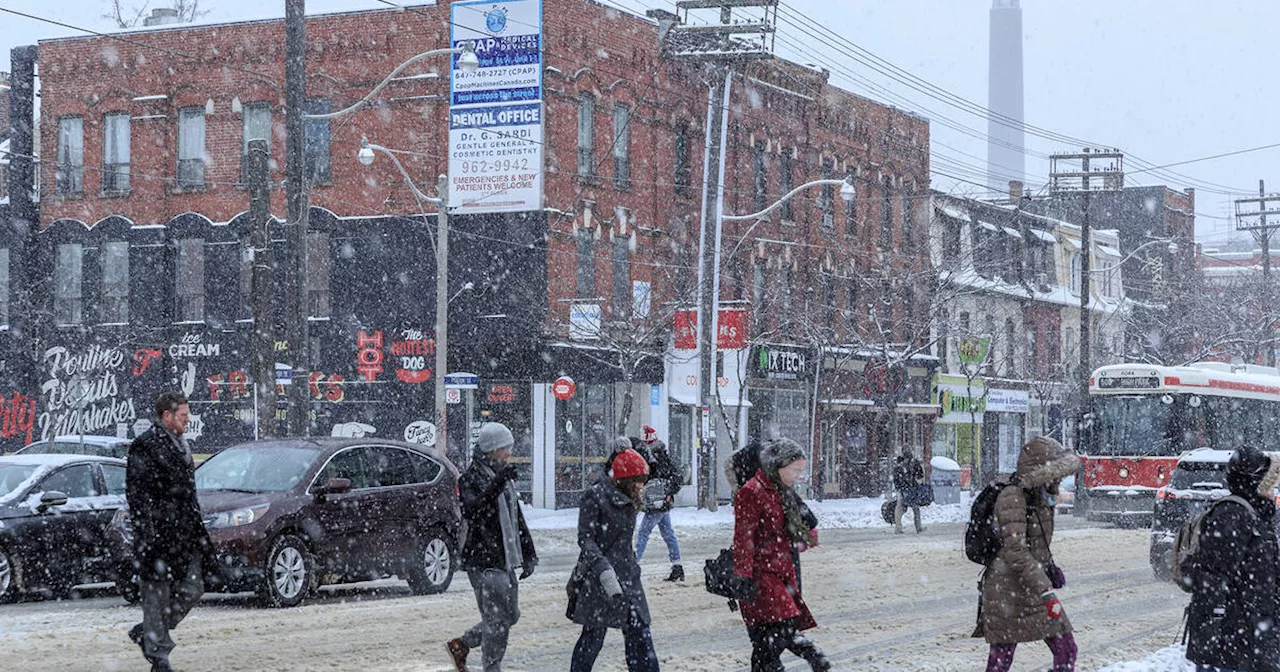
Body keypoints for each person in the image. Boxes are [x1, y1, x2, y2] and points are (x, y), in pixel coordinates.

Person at [974, 437, 1079, 672]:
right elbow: (1015, 550)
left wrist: (1049, 565)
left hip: (1030, 587)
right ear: (1041, 471)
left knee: (1067, 649)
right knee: (1001, 659)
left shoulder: (1039, 496)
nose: (1060, 479)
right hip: (1007, 589)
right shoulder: (1013, 496)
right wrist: (1045, 587)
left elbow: (1035, 542)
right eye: (1057, 473)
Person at [126, 392, 211, 672]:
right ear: (167, 416)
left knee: (193, 587)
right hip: (158, 535)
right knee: (156, 595)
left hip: (185, 534)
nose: (188, 420)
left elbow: (188, 494)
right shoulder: (146, 446)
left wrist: (197, 530)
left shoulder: (181, 445)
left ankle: (148, 631)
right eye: (183, 415)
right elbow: (138, 497)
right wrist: (148, 536)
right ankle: (159, 657)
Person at [731, 439, 830, 672]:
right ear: (778, 465)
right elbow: (743, 538)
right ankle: (809, 655)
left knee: (766, 633)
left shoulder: (782, 491)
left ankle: (776, 665)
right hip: (760, 573)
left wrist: (803, 537)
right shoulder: (751, 492)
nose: (799, 476)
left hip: (781, 569)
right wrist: (743, 576)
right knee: (785, 623)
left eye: (801, 471)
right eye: (795, 470)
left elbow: (797, 524)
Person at [447, 423, 538, 672]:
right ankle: (492, 667)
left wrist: (529, 554)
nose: (509, 452)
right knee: (497, 620)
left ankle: (462, 643)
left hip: (505, 558)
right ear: (492, 449)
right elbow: (475, 512)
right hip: (484, 559)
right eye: (505, 448)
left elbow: (516, 516)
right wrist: (499, 481)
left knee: (510, 616)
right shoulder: (470, 478)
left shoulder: (502, 476)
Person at [1184, 445, 1280, 672]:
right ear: (1256, 481)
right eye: (1271, 482)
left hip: (1250, 637)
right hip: (1231, 644)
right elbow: (1211, 577)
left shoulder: (1255, 516)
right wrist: (1221, 624)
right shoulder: (1232, 515)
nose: (1274, 489)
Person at [567, 448, 661, 672]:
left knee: (640, 634)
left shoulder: (630, 496)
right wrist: (603, 569)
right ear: (625, 479)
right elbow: (585, 539)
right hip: (600, 580)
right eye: (637, 481)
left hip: (628, 576)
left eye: (643, 481)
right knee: (593, 637)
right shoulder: (596, 496)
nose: (641, 486)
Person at [634, 426, 685, 582]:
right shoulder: (664, 456)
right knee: (669, 535)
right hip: (663, 503)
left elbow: (648, 479)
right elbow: (675, 478)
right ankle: (677, 566)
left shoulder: (651, 458)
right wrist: (668, 494)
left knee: (643, 533)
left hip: (656, 504)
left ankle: (632, 565)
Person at [892, 446, 926, 534]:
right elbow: (920, 475)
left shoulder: (899, 463)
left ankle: (898, 528)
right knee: (916, 509)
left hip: (902, 489)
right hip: (912, 489)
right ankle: (918, 527)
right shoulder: (914, 462)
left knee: (899, 508)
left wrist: (899, 487)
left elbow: (895, 477)